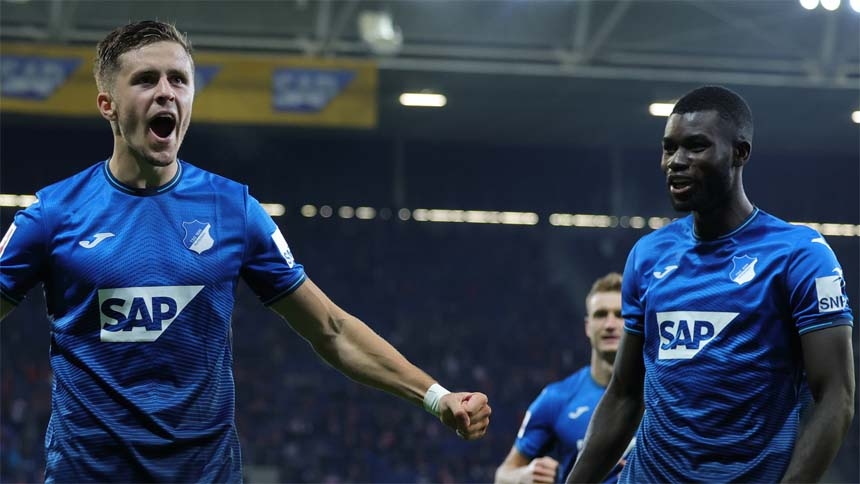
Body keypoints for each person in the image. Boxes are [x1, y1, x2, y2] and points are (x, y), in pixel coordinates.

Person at [0, 20, 491, 483]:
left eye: (179, 80)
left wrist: (437, 397)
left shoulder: (233, 209)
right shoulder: (53, 213)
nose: (166, 91)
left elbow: (332, 330)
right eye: (146, 79)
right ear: (107, 104)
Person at [566, 85, 854, 483]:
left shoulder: (798, 255)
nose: (676, 162)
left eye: (696, 147)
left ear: (740, 153)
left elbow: (835, 396)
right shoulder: (649, 255)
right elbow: (624, 394)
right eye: (669, 148)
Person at [495, 272, 632, 484]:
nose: (610, 324)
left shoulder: (661, 397)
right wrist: (523, 476)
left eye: (620, 314)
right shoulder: (557, 398)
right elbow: (502, 475)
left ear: (634, 322)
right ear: (588, 326)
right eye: (601, 314)